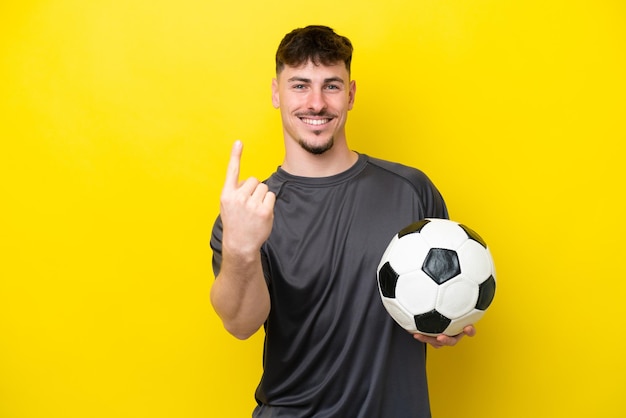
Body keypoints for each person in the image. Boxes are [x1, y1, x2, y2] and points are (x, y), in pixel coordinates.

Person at [210, 25, 476, 418]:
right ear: (275, 93)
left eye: (331, 86)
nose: (316, 103)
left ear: (350, 95)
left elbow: (442, 289)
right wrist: (240, 249)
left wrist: (447, 321)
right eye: (300, 85)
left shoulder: (411, 191)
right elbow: (240, 324)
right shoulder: (249, 211)